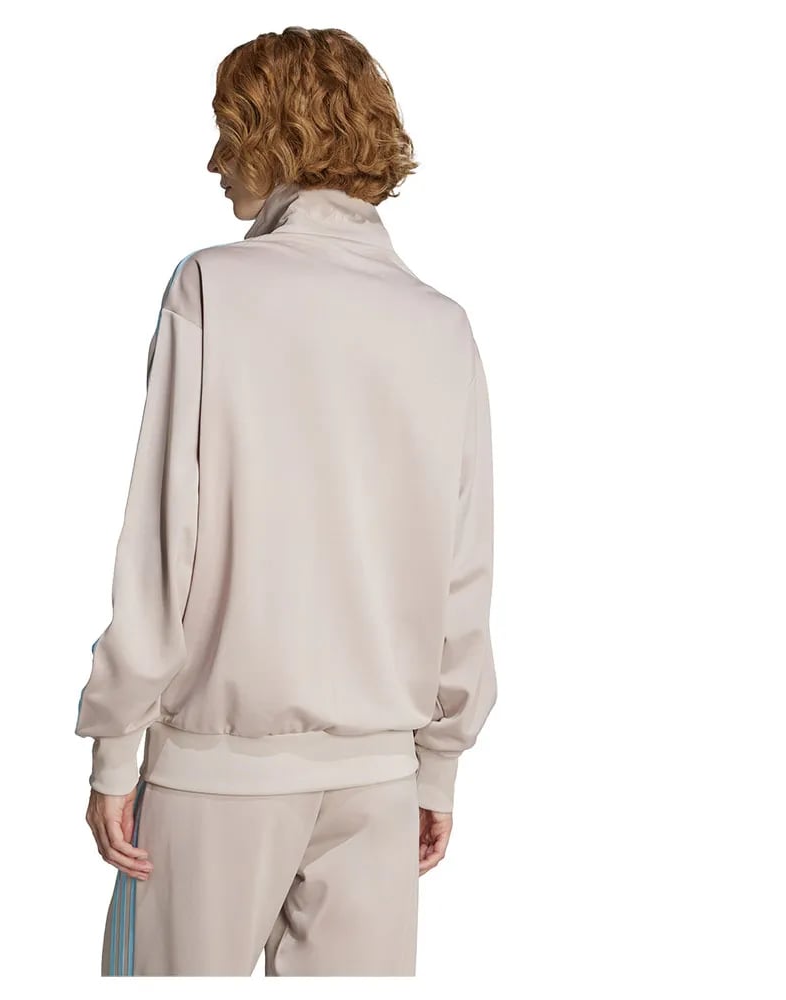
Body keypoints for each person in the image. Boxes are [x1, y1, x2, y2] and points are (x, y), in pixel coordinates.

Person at [74, 25, 498, 977]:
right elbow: (464, 569)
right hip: (379, 783)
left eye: (230, 132)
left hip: (217, 773)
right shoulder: (441, 324)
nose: (215, 161)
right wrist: (438, 764)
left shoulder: (211, 288)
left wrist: (114, 748)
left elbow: (163, 542)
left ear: (278, 135)